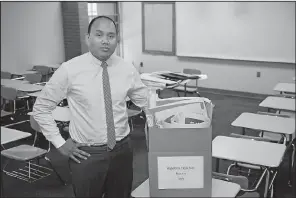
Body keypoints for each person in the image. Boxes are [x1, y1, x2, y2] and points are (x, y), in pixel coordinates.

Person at [33, 15, 149, 198]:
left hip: (123, 150)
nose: (105, 41)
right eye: (99, 35)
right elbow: (41, 109)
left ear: (116, 40)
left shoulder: (127, 69)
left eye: (111, 36)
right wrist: (60, 143)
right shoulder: (70, 70)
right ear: (88, 38)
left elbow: (146, 102)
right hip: (87, 154)